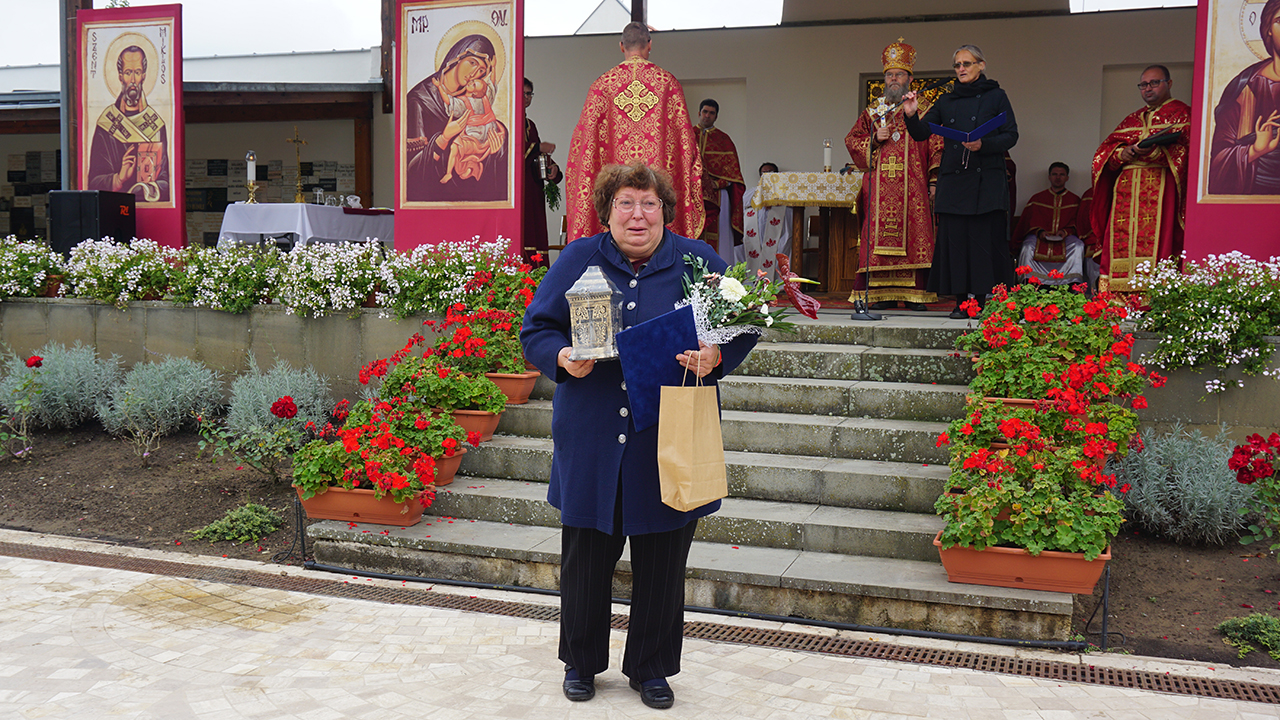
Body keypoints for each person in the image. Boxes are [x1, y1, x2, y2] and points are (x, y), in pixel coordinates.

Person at [521, 160, 756, 710]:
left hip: (668, 437)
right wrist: (560, 357)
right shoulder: (580, 259)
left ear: (665, 213)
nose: (637, 214)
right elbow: (537, 327)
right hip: (593, 435)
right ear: (607, 211)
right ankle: (581, 663)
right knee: (586, 556)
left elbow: (747, 317)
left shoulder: (697, 261)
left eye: (648, 203)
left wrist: (716, 355)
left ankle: (651, 668)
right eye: (625, 202)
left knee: (662, 556)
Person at [903, 44, 1019, 318]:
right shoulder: (946, 101)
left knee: (980, 243)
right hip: (954, 181)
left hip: (985, 182)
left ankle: (978, 300)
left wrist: (984, 144)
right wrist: (911, 113)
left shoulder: (996, 96)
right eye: (957, 65)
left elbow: (1011, 135)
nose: (961, 69)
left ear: (981, 65)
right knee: (955, 243)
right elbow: (922, 133)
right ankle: (959, 302)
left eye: (967, 63)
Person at [564, 22, 703, 242]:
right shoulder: (668, 84)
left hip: (615, 203)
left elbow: (582, 150)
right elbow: (687, 149)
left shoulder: (602, 86)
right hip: (654, 200)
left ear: (621, 46)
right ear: (650, 45)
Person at [845, 38, 942, 311]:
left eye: (899, 74)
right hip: (880, 187)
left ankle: (916, 294)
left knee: (916, 237)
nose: (894, 79)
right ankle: (879, 294)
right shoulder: (874, 111)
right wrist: (874, 139)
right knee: (877, 239)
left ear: (910, 78)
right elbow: (852, 140)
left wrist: (934, 182)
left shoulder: (924, 109)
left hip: (914, 188)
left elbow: (937, 145)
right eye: (889, 75)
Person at [1091, 64, 1190, 293]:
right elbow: (1103, 153)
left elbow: (1191, 151)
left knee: (1159, 243)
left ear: (1169, 84)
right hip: (1125, 192)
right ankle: (1115, 298)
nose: (1148, 89)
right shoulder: (1132, 119)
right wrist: (1120, 154)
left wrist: (1156, 153)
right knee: (1120, 243)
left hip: (1160, 187)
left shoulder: (1183, 114)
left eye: (1154, 83)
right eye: (1143, 84)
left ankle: (1154, 298)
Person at [405, 34, 508, 203]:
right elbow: (412, 171)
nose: (474, 73)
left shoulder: (474, 100)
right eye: (472, 63)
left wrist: (494, 152)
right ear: (457, 57)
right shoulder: (420, 101)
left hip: (471, 202)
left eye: (482, 70)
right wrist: (444, 138)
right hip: (435, 205)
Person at [1209, 0, 1280, 195]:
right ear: (1268, 29)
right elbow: (1219, 158)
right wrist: (1255, 151)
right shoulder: (1245, 88)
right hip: (1258, 192)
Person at [87, 45, 170, 203]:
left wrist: (148, 188)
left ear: (144, 75)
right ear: (120, 76)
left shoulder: (156, 125)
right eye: (127, 72)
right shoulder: (107, 124)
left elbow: (167, 181)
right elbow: (93, 183)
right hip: (114, 211)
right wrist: (119, 178)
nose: (132, 80)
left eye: (137, 72)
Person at [1011, 162, 1084, 286]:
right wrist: (1039, 231)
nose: (1058, 177)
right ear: (1049, 177)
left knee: (1078, 246)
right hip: (1040, 237)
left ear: (1067, 178)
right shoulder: (1037, 198)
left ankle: (1072, 284)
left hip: (1064, 238)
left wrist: (1066, 231)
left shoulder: (1074, 200)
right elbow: (1027, 223)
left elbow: (1079, 223)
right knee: (1027, 247)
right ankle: (1028, 282)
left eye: (1062, 175)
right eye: (1054, 174)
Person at [695, 99, 746, 262]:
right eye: (705, 112)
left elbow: (734, 176)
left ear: (716, 116)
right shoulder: (686, 137)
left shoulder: (724, 140)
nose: (707, 116)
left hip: (718, 197)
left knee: (720, 237)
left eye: (711, 113)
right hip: (693, 196)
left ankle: (722, 276)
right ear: (699, 113)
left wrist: (715, 184)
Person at [522, 77, 561, 267]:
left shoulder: (531, 124)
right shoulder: (507, 123)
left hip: (534, 189)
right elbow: (512, 153)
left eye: (530, 94)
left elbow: (536, 155)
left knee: (537, 233)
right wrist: (538, 146)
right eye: (523, 93)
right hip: (519, 191)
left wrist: (553, 169)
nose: (527, 97)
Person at [441, 77, 501, 184]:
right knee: (471, 155)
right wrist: (494, 67)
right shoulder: (486, 98)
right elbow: (491, 85)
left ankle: (448, 173)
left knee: (454, 147)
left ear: (474, 94)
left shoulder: (465, 102)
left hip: (473, 136)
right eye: (473, 81)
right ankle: (469, 167)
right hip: (487, 136)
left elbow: (449, 101)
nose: (470, 82)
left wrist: (439, 87)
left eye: (473, 85)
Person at [742, 162, 792, 282]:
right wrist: (762, 198)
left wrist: (773, 200)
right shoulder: (752, 191)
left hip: (778, 231)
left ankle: (779, 284)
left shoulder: (784, 191)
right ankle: (754, 282)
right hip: (758, 231)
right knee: (755, 253)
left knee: (778, 252)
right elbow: (743, 202)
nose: (766, 175)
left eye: (769, 173)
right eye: (764, 173)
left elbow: (790, 204)